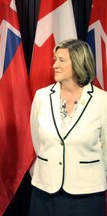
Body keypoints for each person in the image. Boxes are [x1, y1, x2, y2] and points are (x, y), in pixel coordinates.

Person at [29, 39, 107, 216]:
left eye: (61, 60)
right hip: (45, 192)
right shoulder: (42, 97)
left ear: (79, 62)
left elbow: (106, 150)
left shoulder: (103, 101)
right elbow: (38, 141)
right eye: (54, 60)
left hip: (87, 194)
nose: (55, 65)